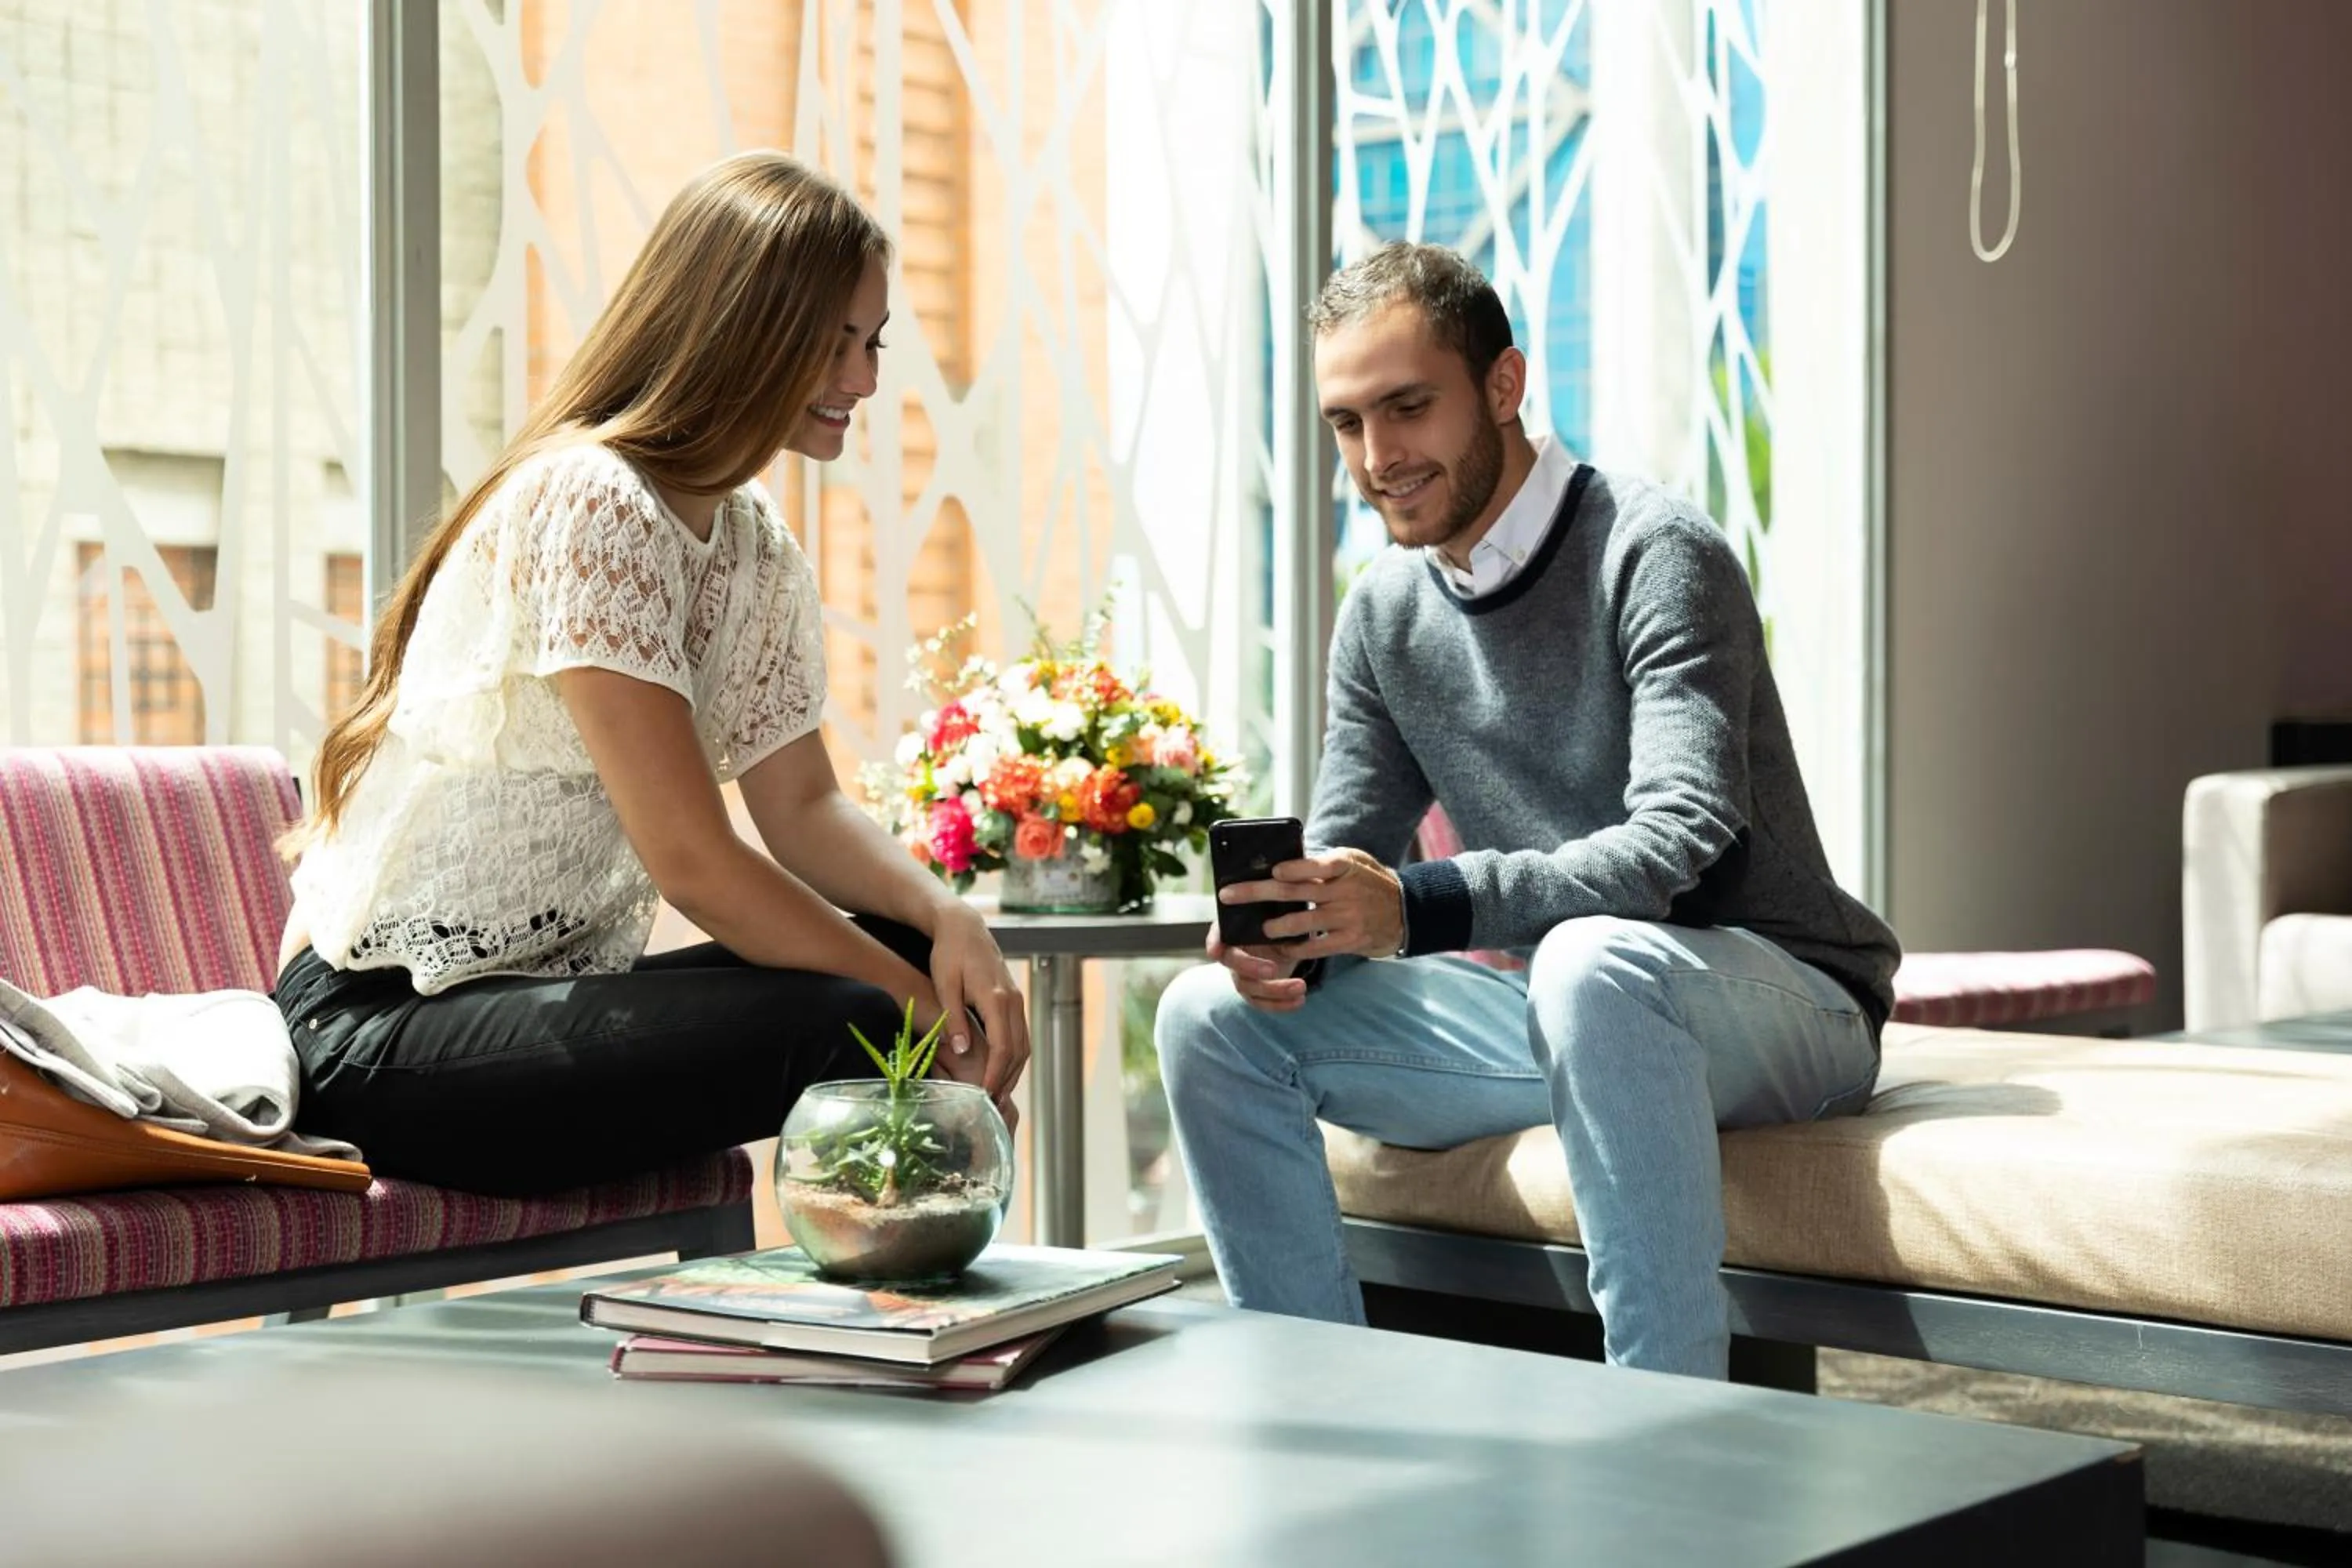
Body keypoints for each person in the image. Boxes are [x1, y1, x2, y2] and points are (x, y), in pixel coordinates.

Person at [1155, 242, 1900, 1379]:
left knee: (1594, 961)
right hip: (1572, 1006)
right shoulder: (1386, 616)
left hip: (1777, 997)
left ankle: (1664, 1436)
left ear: (1502, 387)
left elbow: (1674, 849)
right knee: (1207, 1017)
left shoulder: (1656, 555)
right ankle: (1320, 1418)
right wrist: (1299, 936)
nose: (1377, 458)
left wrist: (1409, 906)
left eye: (1407, 408)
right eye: (1346, 425)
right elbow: (1354, 844)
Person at [273, 152, 1028, 1197]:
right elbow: (695, 862)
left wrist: (951, 925)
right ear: (738, 328)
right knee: (866, 1013)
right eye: (833, 344)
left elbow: (803, 808)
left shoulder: (755, 548)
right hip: (375, 1032)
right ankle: (886, 1303)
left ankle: (908, 1278)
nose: (863, 380)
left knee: (902, 943)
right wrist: (915, 1006)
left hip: (523, 1007)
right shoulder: (594, 501)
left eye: (873, 342)